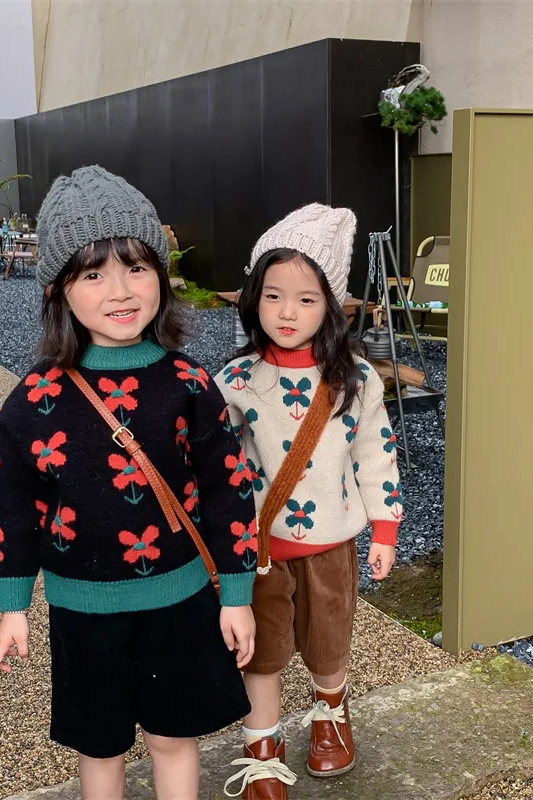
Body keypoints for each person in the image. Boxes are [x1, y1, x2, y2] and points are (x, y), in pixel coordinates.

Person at [0, 165, 257, 800]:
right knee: (99, 748)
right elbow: (15, 508)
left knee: (173, 738)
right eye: (93, 274)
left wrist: (236, 594)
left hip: (180, 598)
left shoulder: (189, 384)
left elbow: (228, 489)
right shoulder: (33, 400)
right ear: (58, 291)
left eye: (136, 266)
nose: (120, 290)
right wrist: (13, 608)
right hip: (81, 609)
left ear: (161, 273)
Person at [217, 204, 403, 799]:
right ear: (254, 298)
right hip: (259, 551)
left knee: (329, 642)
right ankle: (262, 748)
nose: (287, 312)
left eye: (306, 299)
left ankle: (331, 713)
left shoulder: (357, 380)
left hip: (330, 543)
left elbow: (376, 455)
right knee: (260, 654)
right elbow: (215, 467)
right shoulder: (236, 381)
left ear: (332, 305)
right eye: (273, 296)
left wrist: (385, 529)